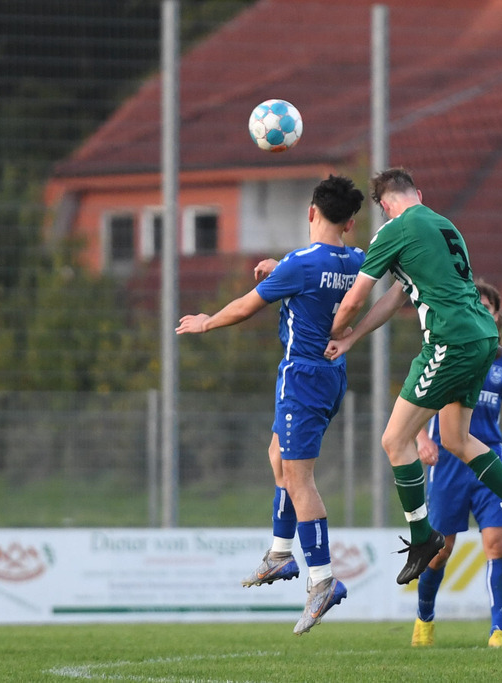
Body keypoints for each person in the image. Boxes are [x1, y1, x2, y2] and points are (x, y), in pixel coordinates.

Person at [325, 168, 502, 586]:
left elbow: (356, 298)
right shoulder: (445, 227)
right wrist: (353, 339)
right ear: (419, 194)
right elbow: (396, 297)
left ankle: (422, 537)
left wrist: (332, 329)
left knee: (394, 440)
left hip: (449, 342)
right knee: (456, 439)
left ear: (384, 206)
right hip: (484, 337)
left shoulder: (395, 230)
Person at [176, 174, 366, 635]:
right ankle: (281, 554)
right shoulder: (359, 259)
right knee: (278, 457)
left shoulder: (300, 264)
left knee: (299, 478)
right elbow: (321, 275)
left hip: (301, 376)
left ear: (310, 213)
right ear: (351, 223)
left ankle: (322, 580)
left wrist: (205, 322)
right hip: (331, 375)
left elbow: (245, 307)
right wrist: (280, 266)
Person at [411, 280, 502, 649]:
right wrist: (421, 438)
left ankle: (499, 631)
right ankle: (424, 619)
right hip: (448, 463)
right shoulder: (446, 351)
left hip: (488, 463)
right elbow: (417, 398)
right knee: (440, 551)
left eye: (488, 307)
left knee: (496, 544)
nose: (482, 311)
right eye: (476, 305)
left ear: (497, 316)